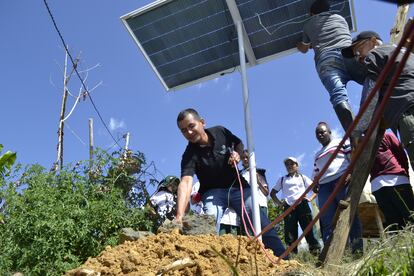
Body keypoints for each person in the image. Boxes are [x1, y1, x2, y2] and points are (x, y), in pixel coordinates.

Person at [175, 108, 286, 258]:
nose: (188, 132)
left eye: (191, 126)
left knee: (257, 216)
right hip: (212, 193)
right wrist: (179, 216)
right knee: (209, 219)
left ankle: (282, 257)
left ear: (202, 122)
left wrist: (237, 154)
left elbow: (238, 143)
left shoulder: (220, 131)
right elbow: (186, 181)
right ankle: (206, 259)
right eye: (183, 131)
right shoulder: (189, 155)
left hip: (238, 187)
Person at [341, 30, 414, 168]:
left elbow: (371, 96)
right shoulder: (405, 52)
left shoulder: (374, 55)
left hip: (408, 112)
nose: (358, 58)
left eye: (358, 51)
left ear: (373, 41)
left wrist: (356, 133)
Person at [297, 0, 365, 134]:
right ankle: (381, 106)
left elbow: (304, 48)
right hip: (349, 53)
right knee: (369, 78)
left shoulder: (308, 24)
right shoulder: (340, 18)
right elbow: (332, 34)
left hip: (327, 60)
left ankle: (354, 135)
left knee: (338, 94)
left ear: (311, 13)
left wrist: (301, 45)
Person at [313, 122, 363, 253]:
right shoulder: (316, 155)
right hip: (324, 187)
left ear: (329, 131)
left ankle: (357, 251)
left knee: (349, 214)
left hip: (341, 180)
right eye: (317, 133)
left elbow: (352, 158)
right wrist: (315, 184)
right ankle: (330, 253)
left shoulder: (341, 142)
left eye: (322, 131)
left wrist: (351, 173)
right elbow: (316, 173)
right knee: (327, 221)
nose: (320, 134)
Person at [270, 157, 321, 254]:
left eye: (292, 164)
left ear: (297, 166)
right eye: (287, 165)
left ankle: (316, 252)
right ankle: (292, 256)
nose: (289, 166)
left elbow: (316, 188)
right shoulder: (282, 179)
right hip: (288, 207)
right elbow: (272, 193)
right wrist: (279, 203)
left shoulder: (303, 177)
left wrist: (310, 198)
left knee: (308, 229)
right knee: (290, 233)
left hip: (302, 205)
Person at [370, 132, 414, 230]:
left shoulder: (386, 135)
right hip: (377, 186)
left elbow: (401, 154)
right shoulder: (360, 142)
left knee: (410, 215)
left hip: (397, 179)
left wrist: (404, 174)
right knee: (394, 223)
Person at [241, 150, 269, 215]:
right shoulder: (240, 174)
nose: (245, 159)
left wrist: (258, 182)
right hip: (246, 206)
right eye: (243, 157)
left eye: (247, 157)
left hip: (260, 205)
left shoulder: (259, 173)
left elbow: (266, 192)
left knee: (263, 225)